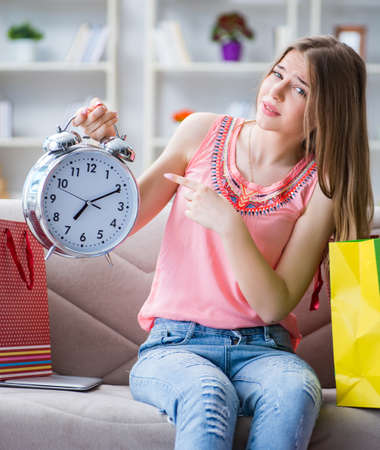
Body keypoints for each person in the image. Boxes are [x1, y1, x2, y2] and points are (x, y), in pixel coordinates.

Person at [73, 35, 373, 450]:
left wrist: (229, 226)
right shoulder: (201, 131)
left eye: (300, 89)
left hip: (265, 349)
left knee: (294, 390)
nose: (276, 90)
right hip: (175, 345)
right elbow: (119, 221)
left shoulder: (322, 185)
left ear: (328, 112)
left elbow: (273, 304)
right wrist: (101, 148)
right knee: (207, 393)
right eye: (278, 73)